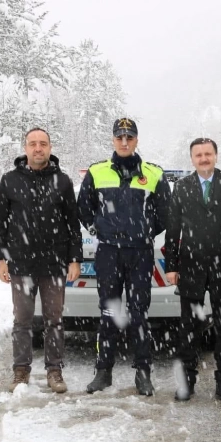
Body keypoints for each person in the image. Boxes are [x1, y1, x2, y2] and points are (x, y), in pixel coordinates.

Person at [77, 118, 171, 396]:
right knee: (108, 313)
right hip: (108, 252)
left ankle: (143, 373)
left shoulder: (153, 174)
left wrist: (145, 232)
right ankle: (103, 371)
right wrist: (98, 228)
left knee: (138, 314)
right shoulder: (97, 172)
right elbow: (83, 207)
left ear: (137, 140)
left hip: (140, 253)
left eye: (129, 137)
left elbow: (166, 212)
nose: (125, 141)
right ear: (113, 140)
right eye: (120, 137)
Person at [0, 128, 82, 394]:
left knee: (54, 320)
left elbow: (73, 224)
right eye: (33, 144)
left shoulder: (63, 181)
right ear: (26, 147)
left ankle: (54, 371)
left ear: (50, 148)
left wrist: (74, 259)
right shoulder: (10, 180)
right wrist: (1, 258)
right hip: (21, 264)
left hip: (54, 263)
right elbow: (0, 224)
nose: (38, 148)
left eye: (43, 144)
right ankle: (21, 371)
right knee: (22, 320)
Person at [165, 138, 221, 402]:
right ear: (192, 159)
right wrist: (172, 266)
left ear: (216, 156)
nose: (203, 158)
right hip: (191, 265)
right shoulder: (181, 187)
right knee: (188, 328)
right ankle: (186, 382)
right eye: (198, 155)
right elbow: (173, 229)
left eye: (208, 154)